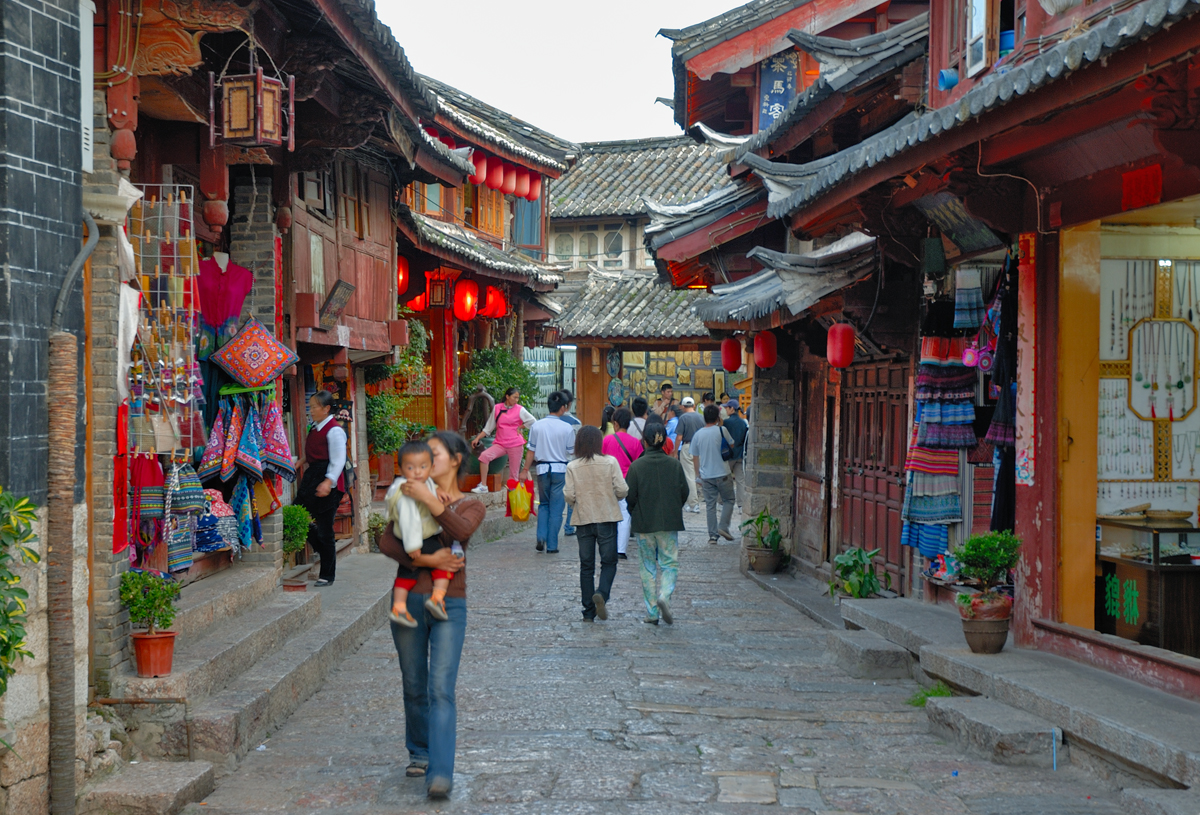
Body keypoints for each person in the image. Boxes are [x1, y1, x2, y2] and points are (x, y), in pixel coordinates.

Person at [378, 431, 485, 800]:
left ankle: (440, 772)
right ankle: (419, 751)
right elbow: (386, 541)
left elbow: (462, 531)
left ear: (454, 459)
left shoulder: (471, 504)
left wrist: (431, 500)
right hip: (407, 601)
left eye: (434, 454)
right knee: (413, 683)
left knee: (441, 687)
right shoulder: (407, 493)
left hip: (449, 604)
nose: (426, 459)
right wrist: (428, 559)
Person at [625, 420, 689, 625]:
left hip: (644, 523)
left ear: (644, 441)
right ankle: (665, 596)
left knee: (647, 566)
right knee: (669, 563)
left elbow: (630, 496)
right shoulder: (674, 465)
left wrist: (634, 511)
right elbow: (684, 492)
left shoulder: (636, 467)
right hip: (668, 522)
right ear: (664, 441)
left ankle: (652, 612)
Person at [564, 426, 627, 622]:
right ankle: (602, 593)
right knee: (609, 562)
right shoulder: (610, 462)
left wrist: (579, 503)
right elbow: (622, 490)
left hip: (583, 519)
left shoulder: (572, 466)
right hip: (606, 517)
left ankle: (588, 611)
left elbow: (569, 495)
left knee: (586, 566)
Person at [385, 440, 446, 627]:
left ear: (431, 467)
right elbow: (408, 517)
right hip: (416, 537)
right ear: (401, 468)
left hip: (417, 536)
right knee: (445, 562)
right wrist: (413, 545)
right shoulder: (407, 491)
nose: (417, 472)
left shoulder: (424, 482)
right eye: (411, 467)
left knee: (406, 571)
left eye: (423, 466)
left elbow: (429, 484)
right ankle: (438, 597)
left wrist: (437, 490)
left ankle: (399, 607)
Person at [295, 390, 346, 587]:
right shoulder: (316, 428)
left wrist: (328, 481)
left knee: (325, 530)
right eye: (310, 406)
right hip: (313, 475)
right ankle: (322, 548)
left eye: (314, 406)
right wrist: (301, 461)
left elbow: (338, 459)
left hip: (329, 479)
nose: (311, 410)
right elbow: (316, 451)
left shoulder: (334, 430)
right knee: (297, 514)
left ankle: (327, 575)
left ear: (326, 409)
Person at [521, 391, 576, 554]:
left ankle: (541, 536)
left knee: (544, 504)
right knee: (557, 508)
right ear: (563, 408)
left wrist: (524, 470)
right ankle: (552, 545)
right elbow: (570, 452)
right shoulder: (567, 428)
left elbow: (530, 451)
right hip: (560, 470)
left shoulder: (537, 426)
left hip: (542, 470)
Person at [470, 387, 535, 494]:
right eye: (514, 397)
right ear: (507, 396)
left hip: (515, 444)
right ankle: (483, 485)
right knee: (484, 456)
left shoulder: (520, 409)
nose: (516, 400)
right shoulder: (497, 408)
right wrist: (477, 438)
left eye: (518, 398)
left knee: (513, 475)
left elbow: (533, 421)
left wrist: (521, 427)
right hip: (500, 443)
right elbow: (488, 427)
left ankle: (513, 501)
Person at [691, 404, 737, 545]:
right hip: (723, 472)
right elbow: (732, 445)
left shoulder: (698, 434)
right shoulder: (722, 430)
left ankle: (713, 536)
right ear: (718, 417)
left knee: (710, 505)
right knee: (729, 500)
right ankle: (723, 526)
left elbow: (695, 456)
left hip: (706, 475)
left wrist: (698, 474)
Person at [601, 407, 640, 560]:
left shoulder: (607, 440)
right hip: (627, 481)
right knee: (625, 515)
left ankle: (607, 546)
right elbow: (637, 465)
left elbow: (602, 460)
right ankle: (621, 549)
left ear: (615, 424)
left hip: (609, 481)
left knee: (608, 514)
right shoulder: (636, 443)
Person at [557, 390, 582, 536]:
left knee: (556, 496)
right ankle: (569, 526)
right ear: (570, 404)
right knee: (571, 496)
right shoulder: (576, 423)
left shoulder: (549, 422)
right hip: (571, 463)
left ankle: (553, 526)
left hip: (553, 463)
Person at [675, 397, 705, 513]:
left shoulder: (683, 418)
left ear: (683, 406)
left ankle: (693, 504)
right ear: (693, 405)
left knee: (689, 476)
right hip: (700, 447)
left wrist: (675, 451)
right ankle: (698, 500)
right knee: (698, 474)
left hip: (687, 446)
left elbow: (679, 437)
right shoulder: (700, 417)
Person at [722, 400, 749, 511]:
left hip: (728, 455)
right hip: (740, 455)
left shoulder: (726, 423)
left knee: (724, 479)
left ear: (731, 409)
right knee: (740, 481)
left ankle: (722, 502)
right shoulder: (743, 423)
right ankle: (741, 504)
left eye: (727, 408)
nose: (725, 409)